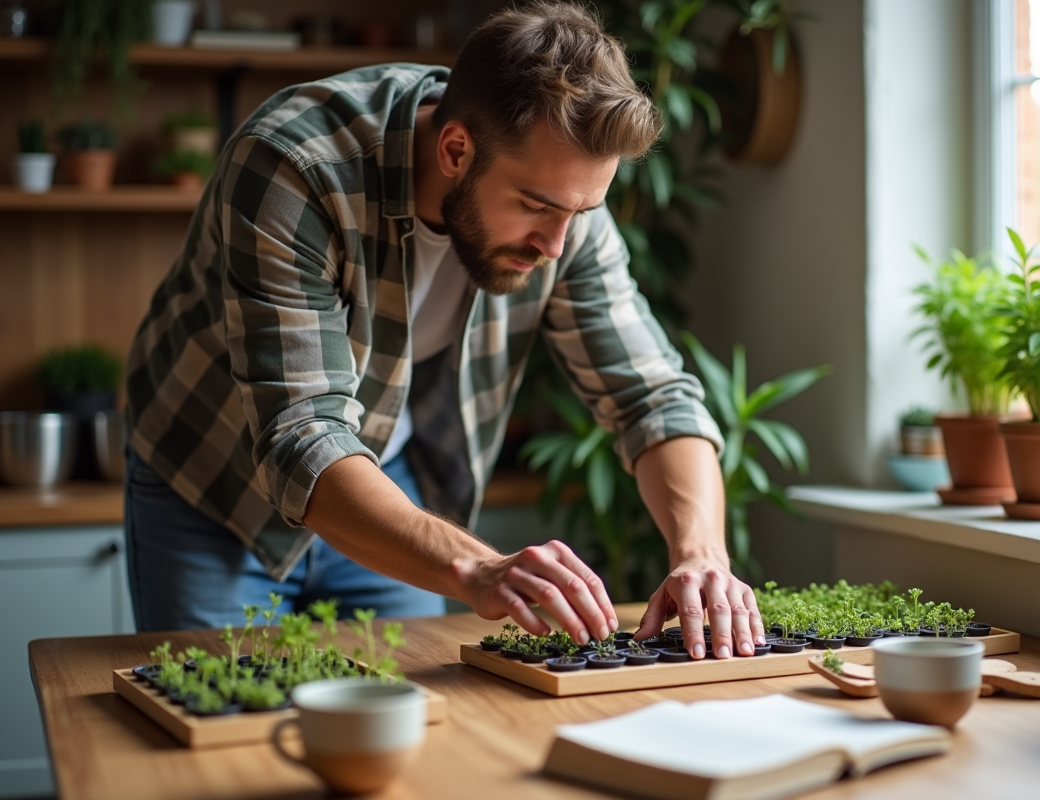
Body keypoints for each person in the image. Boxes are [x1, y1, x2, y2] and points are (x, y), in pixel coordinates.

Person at [124, 1, 765, 660]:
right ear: (456, 149)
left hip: (384, 480)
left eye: (582, 211)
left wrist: (702, 554)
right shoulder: (294, 164)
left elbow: (653, 396)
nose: (556, 245)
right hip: (213, 487)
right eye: (535, 208)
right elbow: (302, 436)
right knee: (218, 736)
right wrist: (479, 569)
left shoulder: (562, 197)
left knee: (416, 735)